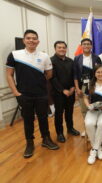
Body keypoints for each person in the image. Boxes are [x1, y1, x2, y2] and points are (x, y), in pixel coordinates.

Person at [6, 29, 59, 158]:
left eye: (34, 38)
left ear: (38, 41)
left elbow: (49, 74)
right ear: (24, 40)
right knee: (28, 120)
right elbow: (9, 75)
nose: (31, 40)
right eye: (28, 38)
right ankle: (29, 143)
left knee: (43, 118)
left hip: (41, 94)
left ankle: (46, 139)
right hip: (24, 94)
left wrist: (37, 82)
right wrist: (16, 93)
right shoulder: (14, 54)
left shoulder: (44, 56)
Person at [84, 65, 102, 164]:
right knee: (89, 124)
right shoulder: (89, 84)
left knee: (101, 124)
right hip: (92, 110)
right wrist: (88, 105)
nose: (100, 74)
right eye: (98, 72)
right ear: (95, 73)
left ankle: (93, 151)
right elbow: (85, 97)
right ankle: (98, 148)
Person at [50, 41, 80, 143]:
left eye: (64, 47)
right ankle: (59, 133)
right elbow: (52, 78)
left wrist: (72, 88)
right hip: (58, 93)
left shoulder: (70, 61)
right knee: (58, 113)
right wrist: (63, 90)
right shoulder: (51, 61)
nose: (62, 49)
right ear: (55, 49)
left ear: (66, 49)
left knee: (69, 111)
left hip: (70, 92)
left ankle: (70, 128)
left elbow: (73, 75)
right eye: (59, 47)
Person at [73, 38, 102, 131]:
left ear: (91, 46)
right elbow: (75, 75)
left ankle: (97, 128)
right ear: (81, 46)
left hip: (95, 85)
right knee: (84, 108)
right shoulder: (77, 58)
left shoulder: (96, 58)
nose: (86, 46)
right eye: (84, 44)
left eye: (88, 44)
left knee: (95, 107)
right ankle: (88, 129)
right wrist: (77, 88)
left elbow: (100, 73)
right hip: (83, 85)